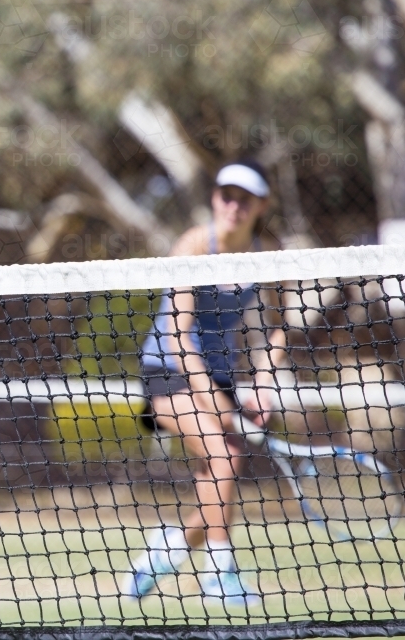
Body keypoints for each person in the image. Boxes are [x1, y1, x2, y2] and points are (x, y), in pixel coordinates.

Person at [123, 161, 288, 606]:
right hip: (167, 371)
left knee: (221, 470)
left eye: (245, 198)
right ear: (215, 197)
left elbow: (277, 325)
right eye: (226, 195)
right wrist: (211, 397)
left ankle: (166, 551)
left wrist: (264, 382)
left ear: (261, 205)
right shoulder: (194, 244)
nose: (234, 206)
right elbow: (178, 334)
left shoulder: (267, 252)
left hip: (220, 374)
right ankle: (218, 574)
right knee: (224, 454)